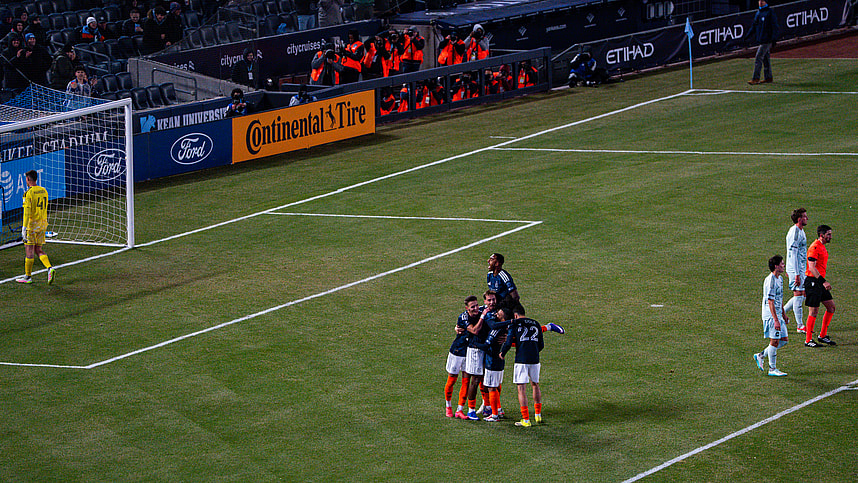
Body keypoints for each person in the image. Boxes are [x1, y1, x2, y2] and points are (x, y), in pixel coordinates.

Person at [500, 306, 545, 426]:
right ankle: (538, 415)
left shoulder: (514, 323)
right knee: (535, 384)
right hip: (535, 359)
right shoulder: (536, 323)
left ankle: (526, 419)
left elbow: (508, 342)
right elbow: (541, 344)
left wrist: (502, 353)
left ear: (515, 315)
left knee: (521, 388)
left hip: (521, 359)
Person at [463, 290, 498, 420]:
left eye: (493, 299)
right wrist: (458, 328)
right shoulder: (476, 313)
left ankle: (488, 406)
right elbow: (469, 326)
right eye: (489, 300)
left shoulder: (491, 310)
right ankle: (471, 410)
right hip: (475, 349)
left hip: (487, 349)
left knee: (487, 379)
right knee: (475, 380)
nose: (491, 302)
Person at [16, 170, 55, 285]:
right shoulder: (44, 191)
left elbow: (27, 212)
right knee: (39, 250)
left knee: (29, 252)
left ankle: (28, 276)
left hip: (32, 226)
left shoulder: (28, 193)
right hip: (42, 225)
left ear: (28, 179)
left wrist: (24, 228)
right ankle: (49, 268)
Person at [753, 255, 789, 376]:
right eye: (782, 264)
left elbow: (779, 298)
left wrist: (783, 314)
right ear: (776, 266)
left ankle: (761, 355)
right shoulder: (771, 281)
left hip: (778, 314)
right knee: (774, 341)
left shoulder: (780, 279)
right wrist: (775, 320)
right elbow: (770, 302)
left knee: (784, 340)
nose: (784, 265)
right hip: (771, 315)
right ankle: (772, 369)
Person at [445, 295, 478, 419]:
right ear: (467, 308)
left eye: (476, 305)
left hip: (469, 352)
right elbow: (473, 330)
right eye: (472, 307)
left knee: (466, 381)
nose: (475, 308)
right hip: (457, 351)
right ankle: (448, 406)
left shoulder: (480, 313)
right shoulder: (463, 317)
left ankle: (460, 410)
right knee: (452, 380)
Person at [804, 225, 836, 347]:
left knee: (831, 307)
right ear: (821, 235)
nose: (830, 237)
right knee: (813, 311)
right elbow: (811, 267)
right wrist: (823, 281)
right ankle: (808, 340)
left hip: (819, 281)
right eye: (828, 234)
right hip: (813, 282)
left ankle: (822, 336)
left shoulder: (822, 246)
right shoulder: (815, 247)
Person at [784, 208, 808, 333]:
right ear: (799, 219)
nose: (807, 218)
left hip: (800, 268)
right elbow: (792, 254)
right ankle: (800, 325)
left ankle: (781, 312)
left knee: (804, 294)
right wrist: (796, 273)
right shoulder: (795, 233)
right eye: (804, 216)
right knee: (798, 294)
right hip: (796, 269)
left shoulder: (800, 231)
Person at [746, 0, 779, 85]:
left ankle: (756, 78)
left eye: (763, 1)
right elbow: (754, 26)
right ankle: (768, 77)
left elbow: (774, 25)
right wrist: (748, 36)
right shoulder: (758, 13)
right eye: (759, 1)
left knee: (758, 57)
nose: (760, 2)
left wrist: (774, 39)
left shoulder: (770, 12)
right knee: (765, 58)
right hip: (762, 39)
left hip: (767, 40)